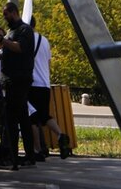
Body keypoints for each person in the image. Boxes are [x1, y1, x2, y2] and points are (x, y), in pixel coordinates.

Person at [0, 2, 36, 168]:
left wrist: (3, 40)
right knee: (21, 118)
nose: (5, 18)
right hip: (10, 80)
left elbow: (19, 48)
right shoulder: (11, 31)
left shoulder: (25, 30)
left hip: (19, 79)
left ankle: (17, 156)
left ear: (14, 12)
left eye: (6, 14)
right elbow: (4, 47)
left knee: (13, 119)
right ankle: (24, 155)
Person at [28, 15, 71, 160]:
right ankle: (60, 135)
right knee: (45, 116)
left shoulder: (26, 39)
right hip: (44, 84)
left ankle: (37, 150)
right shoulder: (44, 40)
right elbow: (48, 63)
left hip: (32, 84)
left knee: (32, 118)